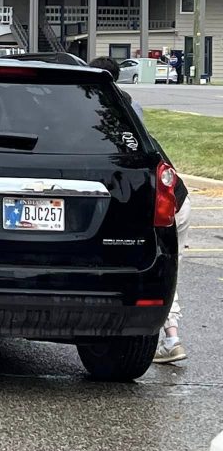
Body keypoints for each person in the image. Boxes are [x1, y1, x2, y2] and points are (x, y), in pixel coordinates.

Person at [90, 56, 189, 363]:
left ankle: (170, 341)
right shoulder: (126, 109)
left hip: (162, 200)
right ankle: (171, 339)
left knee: (161, 270)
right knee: (165, 268)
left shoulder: (101, 116)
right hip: (172, 197)